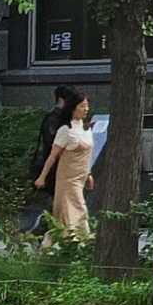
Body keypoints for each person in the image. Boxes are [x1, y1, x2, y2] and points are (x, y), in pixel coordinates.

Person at [45, 92, 96, 235]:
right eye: (82, 106)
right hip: (67, 179)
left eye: (87, 106)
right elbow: (53, 155)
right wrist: (42, 177)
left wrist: (89, 174)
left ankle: (55, 243)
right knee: (77, 209)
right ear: (73, 108)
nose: (86, 109)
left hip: (80, 177)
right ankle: (79, 240)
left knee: (68, 213)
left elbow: (87, 155)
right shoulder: (65, 130)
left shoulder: (86, 130)